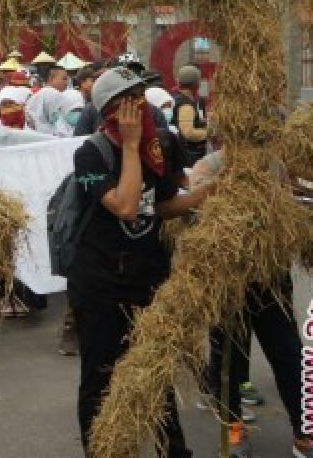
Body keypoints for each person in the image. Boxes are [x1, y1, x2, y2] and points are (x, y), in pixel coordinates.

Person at [69, 67, 209, 457]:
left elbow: (160, 205)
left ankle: (174, 452)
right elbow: (128, 207)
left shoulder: (154, 148)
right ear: (111, 110)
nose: (141, 109)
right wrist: (130, 147)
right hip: (99, 284)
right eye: (131, 102)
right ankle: (101, 450)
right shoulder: (91, 153)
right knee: (100, 377)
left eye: (142, 98)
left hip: (147, 277)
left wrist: (208, 192)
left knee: (157, 369)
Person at [191, 151, 313, 458]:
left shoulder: (275, 164)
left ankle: (305, 433)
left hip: (271, 280)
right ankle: (232, 426)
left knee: (289, 354)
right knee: (229, 356)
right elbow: (198, 221)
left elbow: (285, 215)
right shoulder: (210, 166)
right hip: (228, 282)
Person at [173, 65, 209, 167]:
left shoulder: (186, 100)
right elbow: (188, 133)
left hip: (190, 152)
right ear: (196, 84)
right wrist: (209, 132)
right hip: (191, 153)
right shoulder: (186, 105)